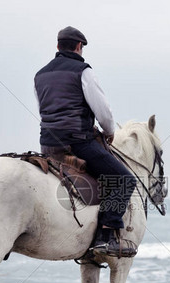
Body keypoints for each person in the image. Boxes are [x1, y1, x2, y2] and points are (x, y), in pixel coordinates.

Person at [34, 26, 137, 257]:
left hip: (48, 144)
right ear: (79, 47)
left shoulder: (39, 75)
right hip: (77, 142)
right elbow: (103, 111)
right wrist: (109, 130)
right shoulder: (83, 71)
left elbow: (43, 108)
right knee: (123, 180)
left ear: (58, 46)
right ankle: (105, 236)